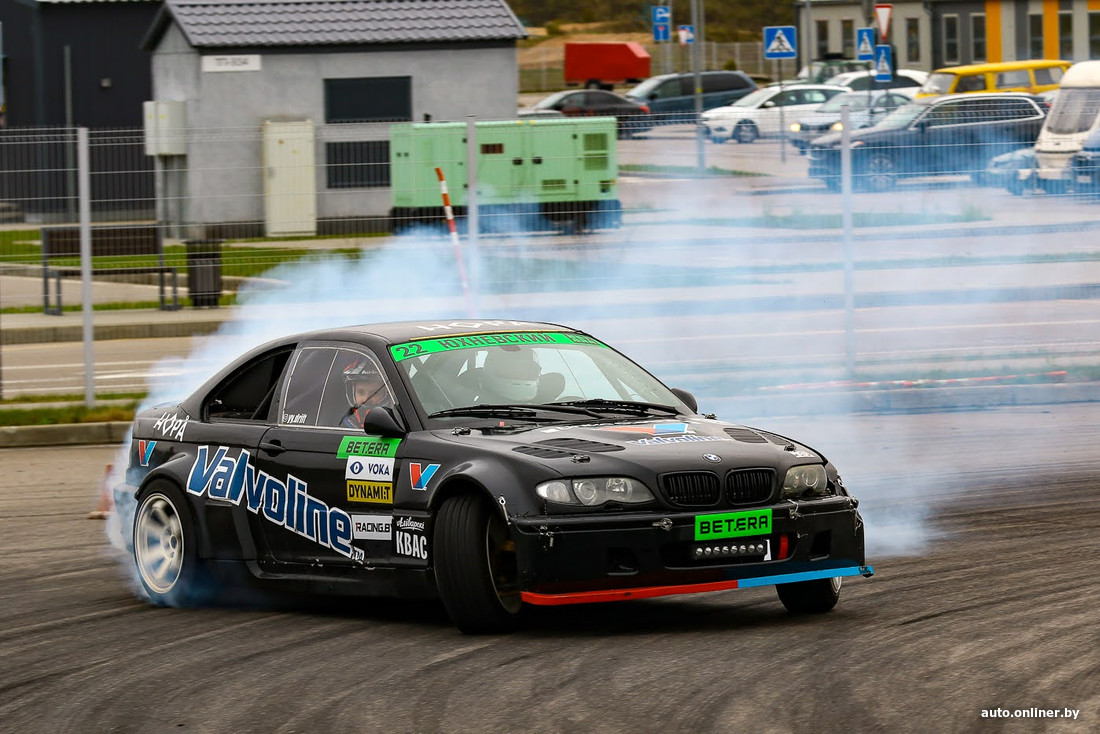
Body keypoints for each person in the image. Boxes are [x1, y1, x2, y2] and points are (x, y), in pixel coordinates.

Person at [340, 359, 393, 429]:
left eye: (374, 393)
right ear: (352, 393)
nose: (366, 399)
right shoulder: (346, 424)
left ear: (386, 393)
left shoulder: (396, 420)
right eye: (361, 392)